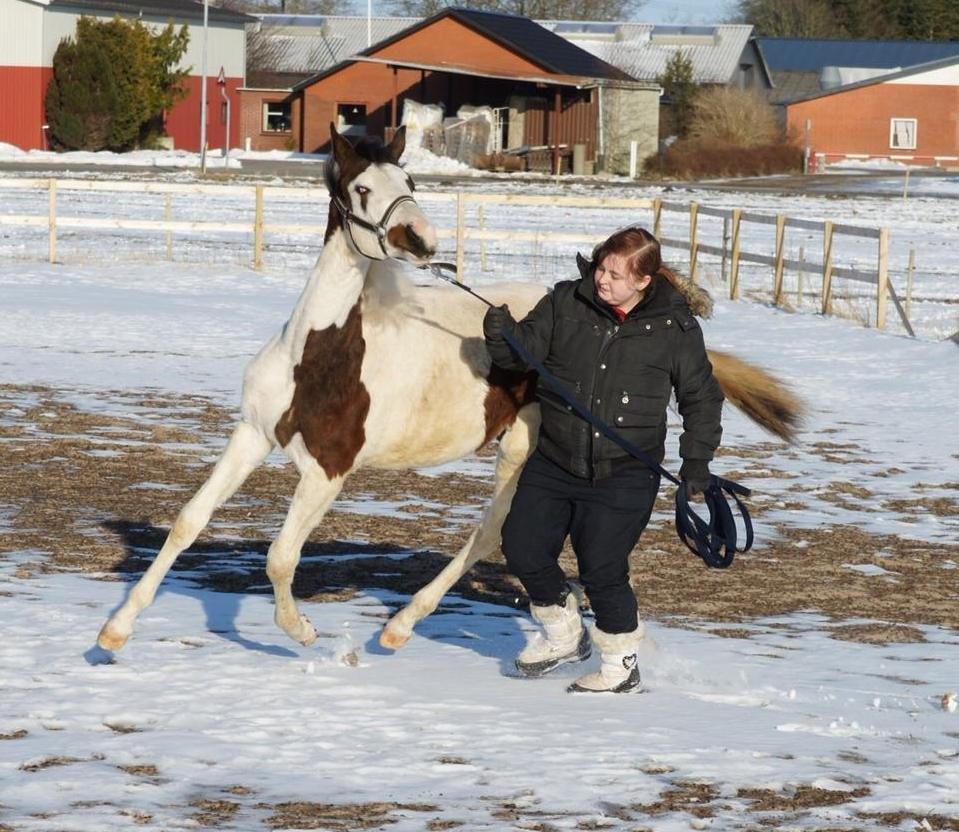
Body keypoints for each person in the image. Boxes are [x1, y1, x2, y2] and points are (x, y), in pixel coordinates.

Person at [483, 227, 723, 693]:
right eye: (600, 267)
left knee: (602, 567)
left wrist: (696, 462)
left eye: (615, 274)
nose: (602, 280)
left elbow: (701, 398)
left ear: (643, 281)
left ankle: (620, 665)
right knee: (522, 546)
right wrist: (502, 337)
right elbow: (520, 358)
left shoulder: (673, 328)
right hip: (555, 460)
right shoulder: (564, 303)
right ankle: (563, 636)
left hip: (625, 473)